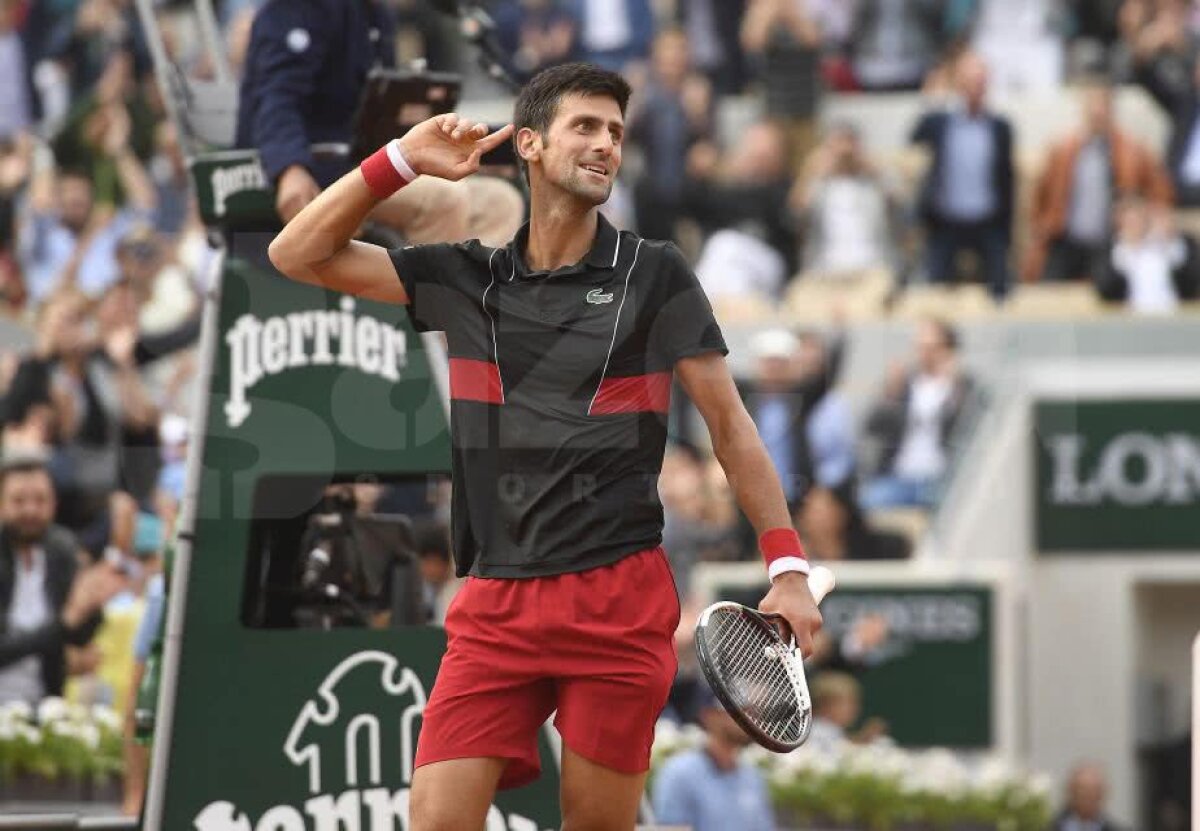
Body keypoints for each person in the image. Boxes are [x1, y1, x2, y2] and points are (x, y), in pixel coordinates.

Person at [269, 61, 823, 829]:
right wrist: (398, 160)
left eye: (617, 133)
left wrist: (788, 566)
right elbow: (295, 254)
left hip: (616, 601)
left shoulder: (655, 276)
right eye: (586, 127)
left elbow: (731, 429)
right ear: (528, 144)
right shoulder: (463, 278)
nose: (606, 145)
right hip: (494, 601)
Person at [237, 0, 523, 245]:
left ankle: (474, 306)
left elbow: (379, 112)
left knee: (499, 203)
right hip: (316, 168)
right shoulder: (302, 7)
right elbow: (275, 98)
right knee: (444, 198)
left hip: (363, 162)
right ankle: (431, 308)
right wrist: (289, 168)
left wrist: (464, 154)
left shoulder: (376, 14)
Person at [0, 457, 125, 704]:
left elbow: (80, 636)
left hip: (45, 705)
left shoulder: (63, 550)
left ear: (54, 503)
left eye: (40, 500)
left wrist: (92, 604)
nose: (30, 510)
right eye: (19, 501)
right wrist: (65, 622)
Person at [1026, 81, 1174, 283]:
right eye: (1092, 106)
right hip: (1065, 239)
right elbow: (1041, 198)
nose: (1097, 113)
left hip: (1111, 241)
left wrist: (1149, 221)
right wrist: (1041, 231)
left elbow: (1160, 194)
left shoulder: (1133, 151)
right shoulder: (1062, 150)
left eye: (1102, 106)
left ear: (1111, 110)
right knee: (1048, 288)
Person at [910, 52, 1015, 299]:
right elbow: (914, 136)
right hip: (946, 220)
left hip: (987, 221)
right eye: (970, 81)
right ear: (958, 84)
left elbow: (1007, 181)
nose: (976, 88)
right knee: (933, 286)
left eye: (981, 81)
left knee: (1002, 289)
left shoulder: (1000, 128)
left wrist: (1006, 228)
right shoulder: (941, 123)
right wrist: (933, 98)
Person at [861, 318, 976, 511]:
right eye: (921, 347)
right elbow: (871, 426)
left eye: (933, 347)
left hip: (941, 478)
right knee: (867, 502)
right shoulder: (903, 384)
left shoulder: (964, 387)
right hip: (900, 476)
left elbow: (969, 430)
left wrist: (956, 391)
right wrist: (889, 396)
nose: (926, 354)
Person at [651, 686, 775, 831]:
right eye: (734, 710)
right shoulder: (678, 774)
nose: (746, 717)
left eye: (748, 710)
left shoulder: (753, 777)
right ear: (708, 715)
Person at [1050, 762, 1127, 831]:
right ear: (1071, 793)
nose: (1088, 798)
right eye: (1082, 791)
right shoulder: (1051, 827)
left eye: (1094, 792)